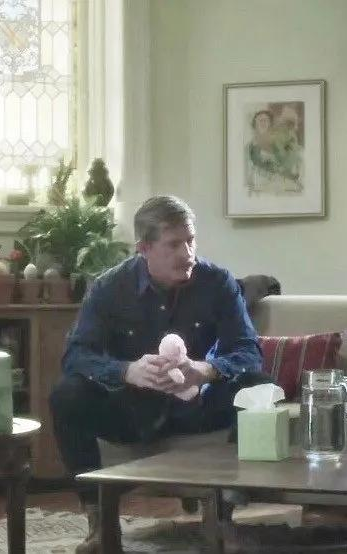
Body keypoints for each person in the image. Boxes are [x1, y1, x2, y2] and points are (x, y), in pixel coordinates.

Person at [49, 195, 269, 553]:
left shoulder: (218, 282)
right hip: (131, 409)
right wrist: (126, 371)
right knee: (66, 395)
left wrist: (206, 370)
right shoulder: (109, 287)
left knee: (258, 386)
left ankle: (222, 517)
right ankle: (100, 522)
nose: (187, 253)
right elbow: (76, 355)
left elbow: (249, 352)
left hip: (196, 405)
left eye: (191, 240)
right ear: (144, 248)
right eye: (174, 244)